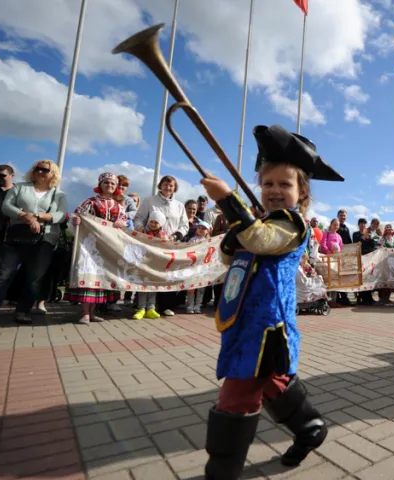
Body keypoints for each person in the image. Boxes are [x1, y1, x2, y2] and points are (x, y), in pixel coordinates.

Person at [201, 124, 342, 479]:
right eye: (268, 184)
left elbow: (262, 241)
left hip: (267, 325)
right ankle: (310, 428)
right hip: (246, 319)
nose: (275, 191)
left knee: (237, 395)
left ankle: (221, 473)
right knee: (273, 380)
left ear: (302, 192)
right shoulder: (261, 220)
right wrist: (236, 227)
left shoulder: (292, 224)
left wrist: (226, 199)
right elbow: (229, 255)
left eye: (285, 184)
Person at [0, 160, 68, 326]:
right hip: (16, 237)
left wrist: (38, 217)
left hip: (44, 239)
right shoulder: (20, 187)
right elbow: (6, 207)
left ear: (53, 174)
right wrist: (26, 217)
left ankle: (23, 311)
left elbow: (61, 214)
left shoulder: (58, 194)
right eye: (38, 168)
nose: (40, 172)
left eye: (45, 170)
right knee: (3, 274)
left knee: (34, 277)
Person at [66, 173, 128, 324]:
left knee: (100, 279)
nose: (109, 186)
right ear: (100, 185)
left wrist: (121, 222)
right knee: (89, 277)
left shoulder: (118, 206)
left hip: (107, 247)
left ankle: (92, 312)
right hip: (90, 247)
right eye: (106, 183)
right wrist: (76, 220)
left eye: (113, 184)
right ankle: (85, 313)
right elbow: (77, 214)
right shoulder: (91, 202)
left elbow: (125, 221)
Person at [135, 176, 189, 316]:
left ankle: (166, 306)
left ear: (174, 188)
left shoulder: (179, 205)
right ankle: (142, 306)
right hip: (150, 245)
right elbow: (139, 218)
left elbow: (184, 225)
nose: (168, 188)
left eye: (171, 186)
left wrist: (175, 236)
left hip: (170, 245)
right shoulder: (149, 200)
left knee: (168, 275)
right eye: (165, 185)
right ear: (160, 185)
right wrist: (141, 229)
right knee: (148, 274)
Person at [132, 211, 169, 320]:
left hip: (156, 265)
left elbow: (166, 247)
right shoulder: (144, 232)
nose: (152, 224)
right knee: (143, 287)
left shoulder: (163, 235)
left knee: (153, 286)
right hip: (144, 264)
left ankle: (151, 308)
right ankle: (141, 308)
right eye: (151, 221)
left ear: (161, 224)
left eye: (156, 222)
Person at [185, 220, 211, 314]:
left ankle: (197, 305)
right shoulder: (192, 240)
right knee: (191, 287)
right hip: (193, 267)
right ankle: (190, 305)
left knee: (201, 288)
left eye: (204, 228)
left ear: (207, 231)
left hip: (203, 269)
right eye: (199, 227)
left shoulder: (209, 241)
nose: (201, 230)